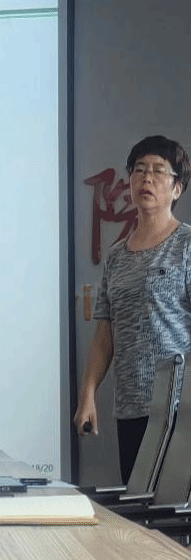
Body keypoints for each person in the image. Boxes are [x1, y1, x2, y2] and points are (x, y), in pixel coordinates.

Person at [74, 135, 191, 484]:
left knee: (176, 511)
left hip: (180, 410)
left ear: (177, 188)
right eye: (139, 170)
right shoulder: (116, 256)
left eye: (158, 170)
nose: (147, 178)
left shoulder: (186, 245)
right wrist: (88, 395)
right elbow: (104, 336)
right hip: (131, 407)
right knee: (139, 506)